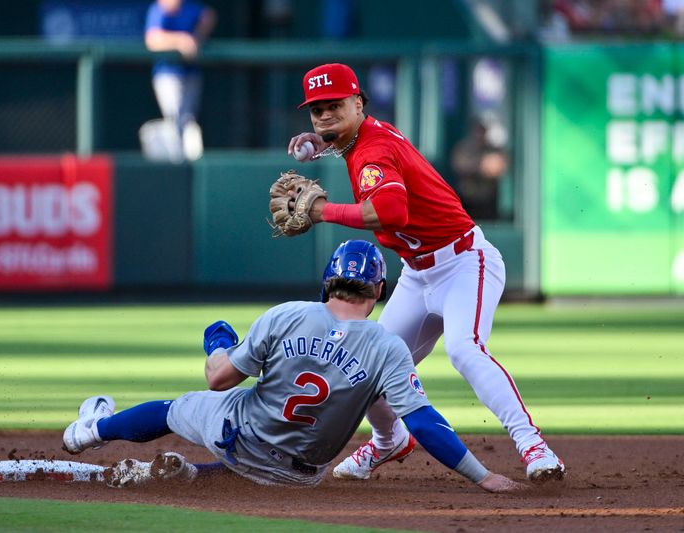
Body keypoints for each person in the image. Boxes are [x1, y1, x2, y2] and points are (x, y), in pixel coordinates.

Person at [286, 63, 565, 483]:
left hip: (464, 262)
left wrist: (323, 211)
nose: (324, 114)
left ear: (358, 102)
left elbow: (391, 211)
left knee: (464, 349)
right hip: (417, 274)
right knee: (365, 363)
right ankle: (389, 441)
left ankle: (535, 448)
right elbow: (362, 147)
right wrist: (327, 143)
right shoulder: (364, 136)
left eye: (335, 105)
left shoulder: (371, 150)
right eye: (317, 110)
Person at [62, 240, 522, 492]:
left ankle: (89, 431)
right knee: (262, 468)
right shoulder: (387, 347)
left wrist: (219, 342)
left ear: (327, 282)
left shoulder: (288, 314)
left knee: (173, 408)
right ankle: (190, 476)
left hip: (240, 437)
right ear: (378, 291)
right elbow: (425, 424)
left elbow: (219, 380)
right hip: (303, 474)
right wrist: (482, 476)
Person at [142, 0, 216, 161]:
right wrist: (180, 41)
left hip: (190, 72)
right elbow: (152, 40)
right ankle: (174, 162)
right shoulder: (159, 9)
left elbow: (208, 16)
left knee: (187, 121)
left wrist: (196, 36)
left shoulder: (190, 7)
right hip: (167, 73)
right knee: (173, 118)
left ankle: (184, 161)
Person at [450, 115, 509, 221]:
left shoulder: (492, 148)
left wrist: (491, 166)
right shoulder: (464, 147)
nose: (480, 134)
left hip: (488, 200)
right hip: (468, 199)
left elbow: (501, 166)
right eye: (478, 131)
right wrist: (480, 165)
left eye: (483, 131)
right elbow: (459, 165)